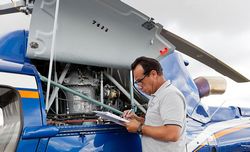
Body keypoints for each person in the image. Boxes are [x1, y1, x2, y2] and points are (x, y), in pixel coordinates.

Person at [123, 56, 186, 152]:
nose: (139, 86)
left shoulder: (170, 94)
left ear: (153, 74)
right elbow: (156, 124)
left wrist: (139, 128)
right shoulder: (156, 95)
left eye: (140, 81)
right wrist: (137, 119)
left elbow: (172, 133)